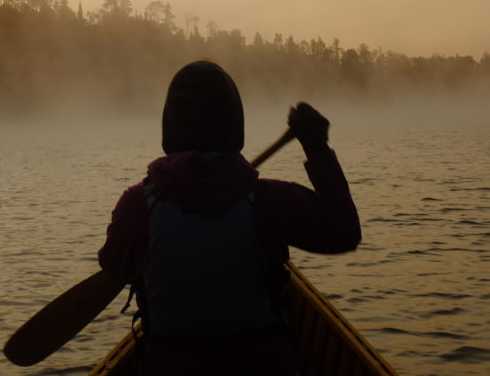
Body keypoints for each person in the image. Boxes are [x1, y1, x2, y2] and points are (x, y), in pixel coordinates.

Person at [98, 61, 361, 375]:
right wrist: (317, 148)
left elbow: (114, 265)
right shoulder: (270, 201)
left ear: (169, 128)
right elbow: (344, 231)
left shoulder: (136, 206)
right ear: (235, 127)